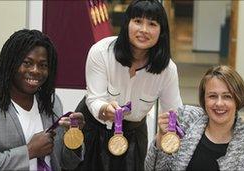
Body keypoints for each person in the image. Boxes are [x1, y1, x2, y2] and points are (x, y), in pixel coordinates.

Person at [75, 0, 182, 170]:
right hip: (93, 129)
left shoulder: (167, 70)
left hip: (133, 135)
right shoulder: (101, 52)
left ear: (161, 32)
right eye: (138, 21)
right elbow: (94, 98)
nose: (144, 30)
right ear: (127, 24)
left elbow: (174, 112)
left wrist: (169, 127)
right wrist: (105, 110)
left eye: (152, 24)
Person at [0, 29, 85, 171]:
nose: (35, 70)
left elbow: (66, 163)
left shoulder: (52, 102)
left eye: (43, 65)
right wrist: (29, 151)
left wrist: (73, 137)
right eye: (27, 63)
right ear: (11, 64)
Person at [145, 65, 244, 170]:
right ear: (204, 99)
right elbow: (152, 168)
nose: (219, 103)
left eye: (227, 96)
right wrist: (161, 140)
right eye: (212, 96)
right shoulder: (185, 121)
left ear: (238, 99)